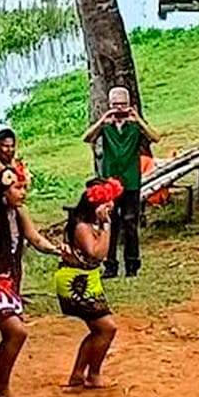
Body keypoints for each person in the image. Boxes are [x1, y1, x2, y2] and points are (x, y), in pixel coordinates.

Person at [0, 165, 61, 397]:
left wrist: (57, 250)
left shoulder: (19, 213)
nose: (23, 193)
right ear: (4, 191)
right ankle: (0, 387)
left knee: (13, 333)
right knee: (17, 332)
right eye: (18, 188)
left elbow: (35, 239)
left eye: (24, 187)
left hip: (6, 283)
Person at [82, 89, 158, 278]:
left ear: (129, 103)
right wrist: (102, 120)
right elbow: (87, 138)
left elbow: (155, 137)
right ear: (109, 104)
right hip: (110, 183)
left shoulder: (134, 126)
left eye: (122, 104)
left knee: (130, 222)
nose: (119, 108)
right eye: (115, 104)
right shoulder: (106, 126)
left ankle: (132, 264)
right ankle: (110, 265)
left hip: (131, 181)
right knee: (110, 223)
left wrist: (138, 119)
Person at [57, 178, 120, 389]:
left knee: (99, 330)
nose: (111, 205)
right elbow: (98, 253)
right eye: (107, 201)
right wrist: (106, 224)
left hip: (88, 279)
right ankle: (91, 374)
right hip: (77, 282)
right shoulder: (82, 226)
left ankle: (80, 374)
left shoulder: (91, 222)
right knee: (107, 328)